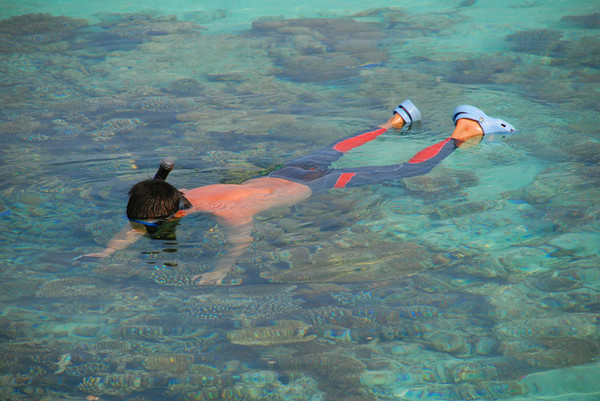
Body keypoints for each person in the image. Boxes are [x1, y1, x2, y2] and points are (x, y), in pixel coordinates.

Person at [81, 100, 516, 284]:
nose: (142, 226)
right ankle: (397, 121)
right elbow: (139, 224)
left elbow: (238, 244)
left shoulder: (231, 212)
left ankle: (467, 129)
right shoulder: (177, 190)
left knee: (409, 172)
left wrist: (220, 272)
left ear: (174, 214)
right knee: (335, 148)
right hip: (291, 172)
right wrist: (108, 251)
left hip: (315, 185)